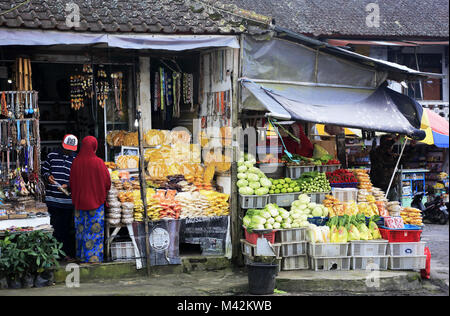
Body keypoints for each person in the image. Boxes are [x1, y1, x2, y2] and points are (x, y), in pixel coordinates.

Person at [69, 136, 111, 263]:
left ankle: (81, 256)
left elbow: (71, 182)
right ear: (94, 147)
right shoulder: (98, 162)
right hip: (96, 203)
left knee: (81, 230)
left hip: (79, 204)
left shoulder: (76, 162)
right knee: (94, 232)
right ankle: (93, 258)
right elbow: (107, 182)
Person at [41, 134, 78, 261]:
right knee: (53, 228)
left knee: (66, 229)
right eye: (66, 148)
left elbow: (78, 179)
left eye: (70, 149)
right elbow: (44, 170)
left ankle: (65, 254)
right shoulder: (52, 156)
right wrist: (48, 176)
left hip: (67, 201)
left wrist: (68, 185)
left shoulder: (76, 159)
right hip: (52, 199)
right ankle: (52, 255)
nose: (67, 151)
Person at [370, 135, 416, 201]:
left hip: (392, 188)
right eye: (388, 142)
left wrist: (412, 147)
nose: (391, 145)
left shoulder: (392, 156)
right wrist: (393, 141)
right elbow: (382, 149)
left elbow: (406, 158)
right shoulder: (375, 153)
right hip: (378, 189)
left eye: (391, 143)